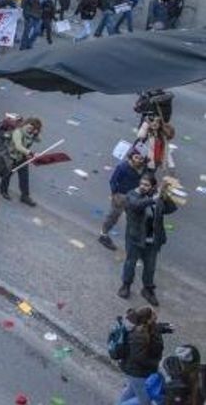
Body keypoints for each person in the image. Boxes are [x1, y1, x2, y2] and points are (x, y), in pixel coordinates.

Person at [119, 174, 178, 306]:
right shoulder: (132, 195)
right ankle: (126, 285)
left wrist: (164, 196)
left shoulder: (157, 197)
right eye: (142, 184)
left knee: (150, 267)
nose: (143, 187)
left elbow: (171, 209)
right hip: (135, 238)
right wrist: (153, 199)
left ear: (153, 187)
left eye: (146, 185)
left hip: (152, 240)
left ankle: (147, 290)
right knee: (130, 263)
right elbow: (136, 205)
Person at [117, 306, 165, 405]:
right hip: (136, 372)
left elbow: (152, 330)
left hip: (135, 370)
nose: (156, 316)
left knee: (131, 391)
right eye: (154, 314)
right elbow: (139, 358)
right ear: (147, 319)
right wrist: (156, 364)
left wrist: (161, 328)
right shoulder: (139, 336)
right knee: (145, 401)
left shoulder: (146, 327)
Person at [99, 150, 147, 250]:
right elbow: (113, 181)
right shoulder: (123, 167)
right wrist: (114, 194)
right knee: (113, 216)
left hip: (134, 196)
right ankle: (103, 235)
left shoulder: (142, 167)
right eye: (136, 157)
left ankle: (134, 242)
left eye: (141, 158)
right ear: (131, 158)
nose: (139, 160)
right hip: (121, 196)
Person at [0, 117, 41, 206]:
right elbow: (18, 146)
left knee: (24, 177)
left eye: (34, 129)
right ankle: (3, 190)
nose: (30, 130)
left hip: (22, 157)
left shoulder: (31, 134)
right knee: (7, 175)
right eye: (30, 127)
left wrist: (35, 134)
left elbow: (35, 142)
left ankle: (25, 196)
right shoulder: (18, 132)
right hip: (11, 156)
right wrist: (30, 152)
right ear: (26, 124)